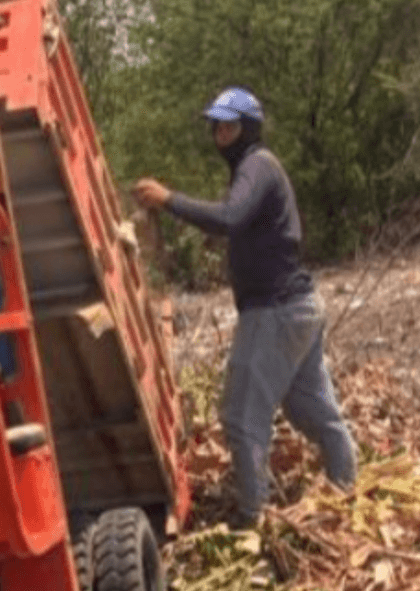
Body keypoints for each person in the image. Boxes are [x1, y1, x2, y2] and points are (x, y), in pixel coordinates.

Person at [133, 87, 357, 529]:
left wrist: (169, 200)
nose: (220, 134)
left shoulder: (257, 165)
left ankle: (254, 518)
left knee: (240, 416)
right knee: (310, 408)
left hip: (275, 311)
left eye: (229, 126)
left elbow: (229, 218)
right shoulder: (255, 169)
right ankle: (348, 490)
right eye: (216, 126)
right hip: (298, 308)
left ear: (248, 129)